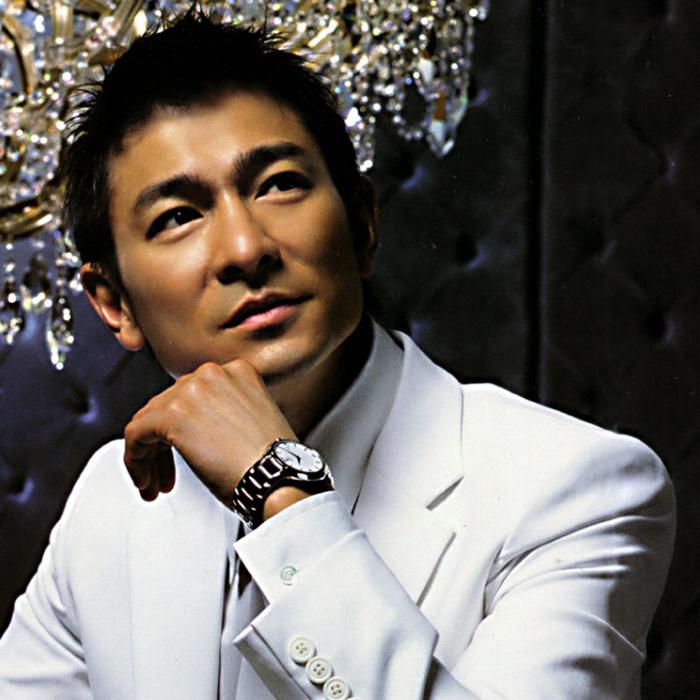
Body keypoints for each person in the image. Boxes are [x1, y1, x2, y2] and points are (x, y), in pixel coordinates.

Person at [0, 12, 675, 700]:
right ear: (114, 304)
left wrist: (278, 490)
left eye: (279, 184)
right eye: (178, 217)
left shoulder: (576, 490)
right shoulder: (114, 501)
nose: (245, 249)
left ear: (363, 223)